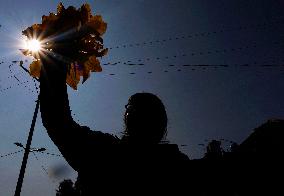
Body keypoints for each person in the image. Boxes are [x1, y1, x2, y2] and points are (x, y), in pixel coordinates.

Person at [39, 56, 189, 195]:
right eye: (132, 108)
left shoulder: (103, 151)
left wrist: (53, 62)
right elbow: (58, 123)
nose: (133, 113)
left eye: (134, 109)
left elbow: (58, 123)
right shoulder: (177, 165)